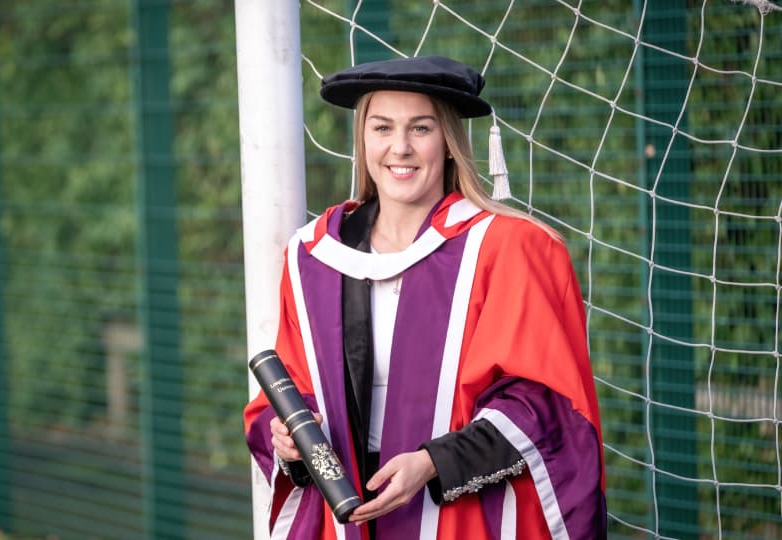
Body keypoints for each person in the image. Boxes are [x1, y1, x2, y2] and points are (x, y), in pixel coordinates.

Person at [244, 55, 606, 540]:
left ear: (450, 142)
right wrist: (288, 439)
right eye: (382, 128)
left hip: (461, 511)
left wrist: (432, 463)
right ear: (362, 139)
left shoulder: (508, 247)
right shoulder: (314, 255)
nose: (400, 147)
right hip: (346, 514)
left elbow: (546, 401)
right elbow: (290, 391)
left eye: (420, 128)